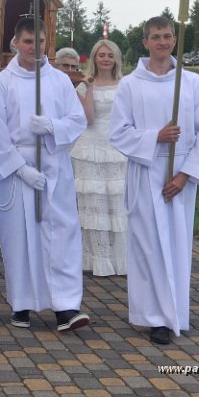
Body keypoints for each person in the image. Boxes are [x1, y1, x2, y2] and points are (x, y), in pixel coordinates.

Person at [109, 16, 199, 346]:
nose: (162, 42)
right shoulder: (130, 84)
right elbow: (118, 132)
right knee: (149, 245)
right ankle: (153, 317)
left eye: (167, 36)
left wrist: (184, 176)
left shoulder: (191, 82)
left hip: (180, 173)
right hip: (146, 171)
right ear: (145, 42)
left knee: (176, 244)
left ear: (174, 40)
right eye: (155, 37)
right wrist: (155, 137)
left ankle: (177, 313)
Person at [0, 18, 90, 333]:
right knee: (19, 237)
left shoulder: (57, 80)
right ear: (16, 43)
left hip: (53, 163)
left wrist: (53, 127)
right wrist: (21, 168)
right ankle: (21, 304)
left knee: (61, 235)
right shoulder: (3, 82)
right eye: (28, 42)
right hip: (17, 168)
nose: (35, 48)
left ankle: (65, 306)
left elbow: (77, 118)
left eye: (40, 42)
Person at [70, 39, 128, 276]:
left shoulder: (125, 85)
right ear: (94, 58)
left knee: (118, 203)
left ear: (116, 58)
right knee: (93, 203)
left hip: (115, 148)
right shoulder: (84, 87)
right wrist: (90, 87)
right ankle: (96, 259)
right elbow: (89, 118)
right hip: (89, 147)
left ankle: (120, 259)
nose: (105, 59)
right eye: (101, 55)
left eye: (109, 55)